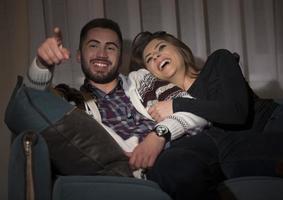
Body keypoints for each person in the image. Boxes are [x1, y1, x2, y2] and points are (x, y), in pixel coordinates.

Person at [26, 18, 219, 200]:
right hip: (147, 171)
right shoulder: (71, 100)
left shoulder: (143, 80)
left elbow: (194, 109)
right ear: (79, 54)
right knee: (178, 167)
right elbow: (29, 104)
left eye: (111, 47)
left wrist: (159, 135)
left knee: (191, 155)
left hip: (179, 148)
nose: (102, 54)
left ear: (120, 57)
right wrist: (42, 65)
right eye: (93, 45)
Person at [130, 31, 283, 198]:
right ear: (150, 72)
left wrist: (177, 104)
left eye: (161, 48)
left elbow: (235, 113)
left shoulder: (218, 61)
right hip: (250, 149)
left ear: (179, 49)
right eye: (150, 59)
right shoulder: (168, 110)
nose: (157, 56)